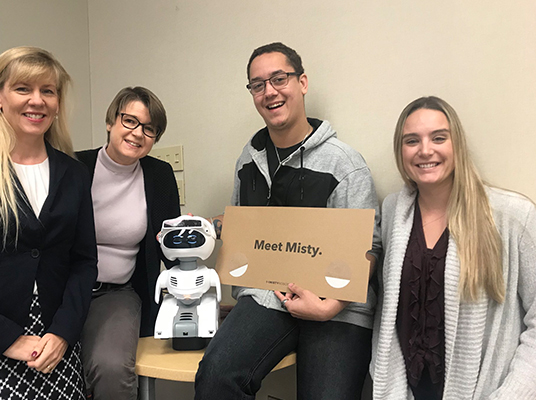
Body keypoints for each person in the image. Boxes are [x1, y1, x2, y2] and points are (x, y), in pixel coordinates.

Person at [194, 42, 381, 400]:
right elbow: (245, 227)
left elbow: (369, 248)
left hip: (337, 309)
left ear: (302, 83)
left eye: (279, 79)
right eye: (258, 84)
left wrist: (329, 306)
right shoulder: (248, 161)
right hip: (268, 296)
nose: (269, 92)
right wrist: (206, 226)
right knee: (216, 375)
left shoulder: (345, 164)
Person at [0, 46, 98, 400]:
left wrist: (64, 333)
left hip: (55, 346)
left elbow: (84, 262)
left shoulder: (74, 174)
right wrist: (8, 339)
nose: (37, 101)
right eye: (23, 89)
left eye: (48, 91)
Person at [370, 96, 536, 399]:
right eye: (412, 141)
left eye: (438, 138)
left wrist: (513, 394)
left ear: (456, 144)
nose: (425, 150)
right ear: (400, 150)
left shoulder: (512, 216)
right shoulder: (394, 211)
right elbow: (389, 314)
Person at [75, 86, 180, 399]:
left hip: (116, 294)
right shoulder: (73, 167)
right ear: (111, 122)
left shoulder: (159, 175)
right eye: (130, 121)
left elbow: (169, 245)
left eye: (149, 128)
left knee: (110, 368)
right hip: (66, 288)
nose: (138, 133)